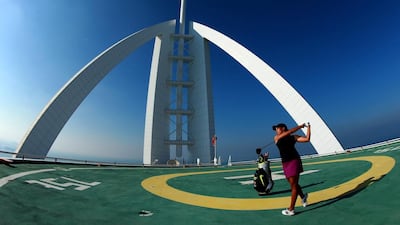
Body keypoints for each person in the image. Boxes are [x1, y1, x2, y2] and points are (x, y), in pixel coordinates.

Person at [272, 122, 310, 216]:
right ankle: (303, 196)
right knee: (293, 184)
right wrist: (300, 126)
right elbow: (288, 132)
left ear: (283, 128)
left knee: (293, 185)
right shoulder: (276, 138)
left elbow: (307, 139)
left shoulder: (294, 137)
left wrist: (309, 128)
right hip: (285, 163)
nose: (276, 130)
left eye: (277, 128)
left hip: (294, 161)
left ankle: (291, 209)